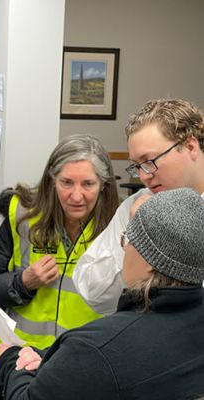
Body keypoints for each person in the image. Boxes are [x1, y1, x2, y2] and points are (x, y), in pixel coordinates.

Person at [0, 188, 204, 400]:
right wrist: (55, 364)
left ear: (150, 262)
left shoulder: (96, 349)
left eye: (128, 240)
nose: (124, 249)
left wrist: (11, 361)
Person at [0, 134, 119, 399]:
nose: (76, 195)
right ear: (52, 180)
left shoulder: (118, 232)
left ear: (104, 186)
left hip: (76, 368)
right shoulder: (25, 217)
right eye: (66, 183)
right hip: (10, 358)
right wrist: (22, 282)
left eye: (88, 184)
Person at [73, 98, 204, 315]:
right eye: (137, 166)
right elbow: (93, 293)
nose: (144, 176)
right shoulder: (138, 206)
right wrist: (135, 236)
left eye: (150, 161)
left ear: (190, 147)